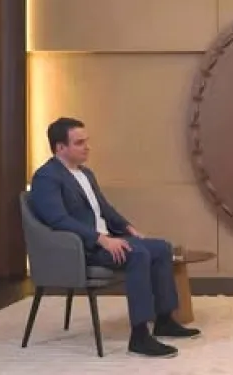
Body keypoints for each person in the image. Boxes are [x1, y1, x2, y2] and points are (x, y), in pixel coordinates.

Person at [28, 117, 200, 358]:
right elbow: (59, 220)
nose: (87, 147)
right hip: (82, 248)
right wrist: (100, 239)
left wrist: (128, 228)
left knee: (161, 248)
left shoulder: (85, 173)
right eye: (79, 143)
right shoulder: (46, 177)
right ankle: (139, 337)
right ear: (60, 148)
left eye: (86, 141)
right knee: (137, 254)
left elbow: (105, 209)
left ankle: (164, 320)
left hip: (105, 239)